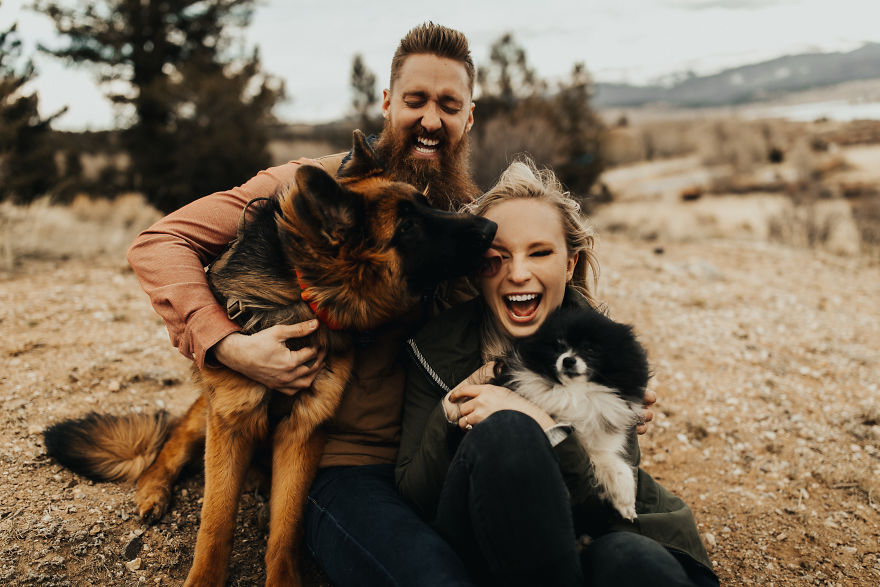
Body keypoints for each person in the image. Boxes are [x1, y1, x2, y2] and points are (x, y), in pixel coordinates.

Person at [127, 22, 655, 586]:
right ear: (387, 103)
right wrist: (229, 346)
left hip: (448, 458)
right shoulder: (314, 188)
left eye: (449, 105)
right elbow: (161, 243)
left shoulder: (468, 222)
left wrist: (605, 374)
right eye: (416, 100)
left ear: (468, 117)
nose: (431, 119)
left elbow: (539, 290)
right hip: (347, 468)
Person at [397, 159, 719, 587]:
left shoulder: (606, 353)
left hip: (598, 533)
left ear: (570, 264)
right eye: (497, 258)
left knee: (635, 560)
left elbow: (605, 503)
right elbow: (415, 493)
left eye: (540, 253)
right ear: (477, 270)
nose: (518, 273)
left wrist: (543, 424)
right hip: (488, 538)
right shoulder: (433, 349)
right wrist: (451, 410)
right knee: (507, 433)